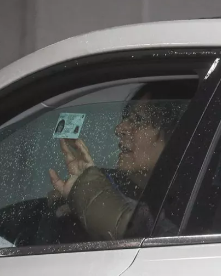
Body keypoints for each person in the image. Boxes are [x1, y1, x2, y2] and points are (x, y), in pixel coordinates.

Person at [47, 81, 197, 240]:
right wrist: (78, 194)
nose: (119, 129)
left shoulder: (196, 205)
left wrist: (91, 194)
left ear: (176, 135)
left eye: (138, 120)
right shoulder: (112, 185)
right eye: (126, 118)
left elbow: (158, 240)